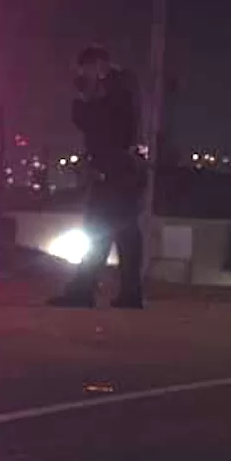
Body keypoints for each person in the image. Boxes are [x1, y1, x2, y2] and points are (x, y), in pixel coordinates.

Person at [49, 45, 148, 309]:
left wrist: (87, 97)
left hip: (118, 171)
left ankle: (88, 290)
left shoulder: (117, 88)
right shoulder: (120, 88)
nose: (83, 76)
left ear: (99, 65)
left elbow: (101, 123)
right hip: (119, 171)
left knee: (104, 229)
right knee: (112, 231)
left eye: (87, 70)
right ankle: (117, 291)